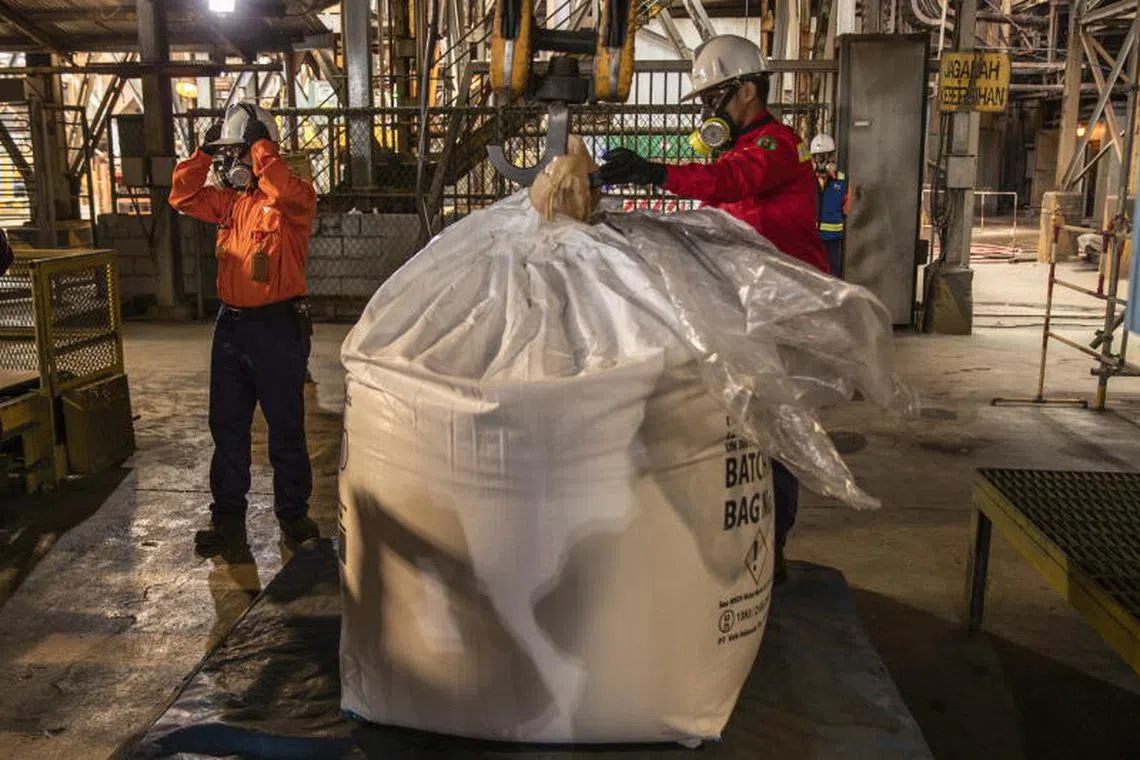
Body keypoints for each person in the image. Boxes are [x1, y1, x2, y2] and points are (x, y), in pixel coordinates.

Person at [597, 34, 829, 585]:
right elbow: (724, 206)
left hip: (783, 305)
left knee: (773, 431)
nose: (706, 111)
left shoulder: (776, 145)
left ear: (747, 90)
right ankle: (743, 544)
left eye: (712, 99)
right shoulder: (742, 148)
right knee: (744, 423)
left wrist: (654, 173)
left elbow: (731, 182)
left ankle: (772, 552)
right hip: (752, 299)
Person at [169, 102, 320, 556]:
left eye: (239, 153)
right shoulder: (230, 203)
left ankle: (293, 515)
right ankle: (228, 519)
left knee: (285, 427)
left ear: (261, 151)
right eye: (228, 155)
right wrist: (201, 153)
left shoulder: (295, 198)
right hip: (231, 326)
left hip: (277, 326)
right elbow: (181, 196)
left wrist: (261, 150)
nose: (231, 163)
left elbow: (284, 190)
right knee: (228, 425)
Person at [811, 133, 850, 278]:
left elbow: (846, 209)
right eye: (818, 156)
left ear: (832, 157)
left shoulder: (842, 181)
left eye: (825, 156)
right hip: (811, 238)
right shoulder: (805, 180)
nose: (821, 161)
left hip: (833, 241)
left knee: (832, 277)